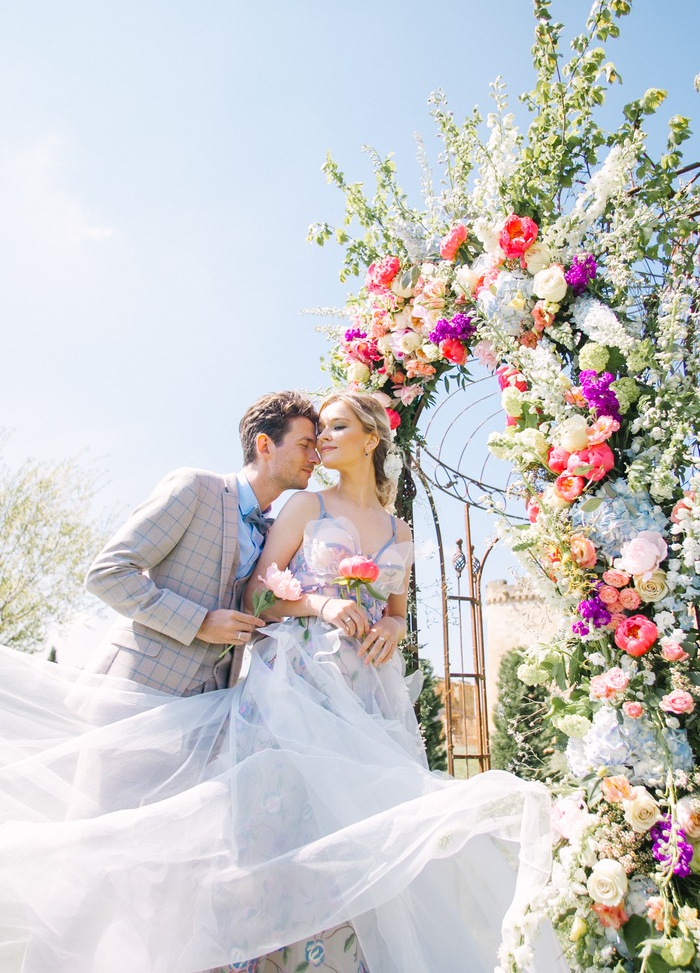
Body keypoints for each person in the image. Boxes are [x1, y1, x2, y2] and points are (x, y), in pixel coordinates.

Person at [0, 393, 565, 973]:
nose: (318, 446)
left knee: (170, 869)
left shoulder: (311, 521)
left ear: (372, 439)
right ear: (266, 445)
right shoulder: (213, 491)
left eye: (332, 429)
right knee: (89, 857)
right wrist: (252, 614)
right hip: (146, 693)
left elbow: (376, 605)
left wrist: (392, 624)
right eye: (308, 437)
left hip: (232, 712)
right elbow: (121, 574)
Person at [84, 389, 319, 695]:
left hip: (211, 705)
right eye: (305, 446)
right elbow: (108, 574)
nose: (316, 459)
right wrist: (200, 622)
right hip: (135, 685)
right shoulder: (196, 487)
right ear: (265, 445)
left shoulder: (276, 535)